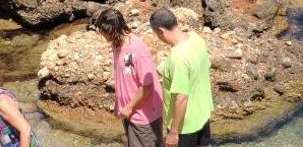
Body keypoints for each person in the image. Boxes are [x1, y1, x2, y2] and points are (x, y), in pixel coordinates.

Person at [92, 9, 164, 147]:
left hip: (144, 115)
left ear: (110, 31)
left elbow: (147, 85)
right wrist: (119, 103)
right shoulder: (116, 44)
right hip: (129, 112)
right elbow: (123, 77)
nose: (101, 34)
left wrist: (129, 107)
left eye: (101, 30)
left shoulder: (136, 49)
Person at [149, 8, 214, 147]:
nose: (158, 37)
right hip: (202, 113)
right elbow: (199, 67)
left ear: (161, 30)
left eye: (156, 34)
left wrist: (173, 132)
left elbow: (181, 98)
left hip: (185, 126)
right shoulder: (196, 39)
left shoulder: (178, 57)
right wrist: (164, 70)